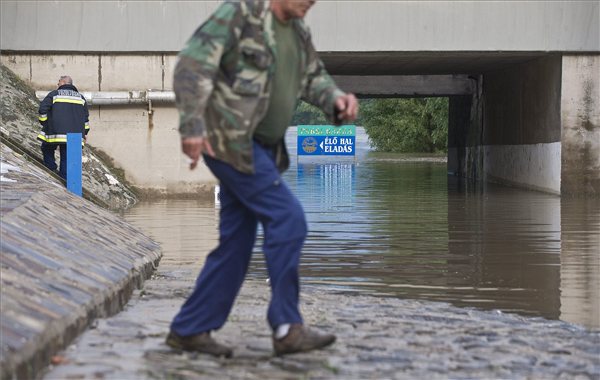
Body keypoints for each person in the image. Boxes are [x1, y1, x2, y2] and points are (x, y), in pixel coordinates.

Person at [167, 0, 358, 358]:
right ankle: (287, 327)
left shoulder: (298, 32)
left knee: (236, 244)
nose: (311, 2)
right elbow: (192, 65)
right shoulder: (242, 14)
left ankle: (189, 329)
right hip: (230, 142)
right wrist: (191, 125)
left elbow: (313, 77)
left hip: (266, 149)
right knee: (288, 219)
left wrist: (336, 100)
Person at [37, 75, 90, 179]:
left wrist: (45, 123)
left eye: (59, 82)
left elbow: (42, 109)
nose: (57, 84)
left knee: (47, 148)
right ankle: (64, 178)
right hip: (75, 136)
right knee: (66, 156)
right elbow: (85, 119)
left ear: (63, 83)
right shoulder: (81, 98)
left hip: (55, 132)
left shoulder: (54, 94)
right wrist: (85, 132)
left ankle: (51, 167)